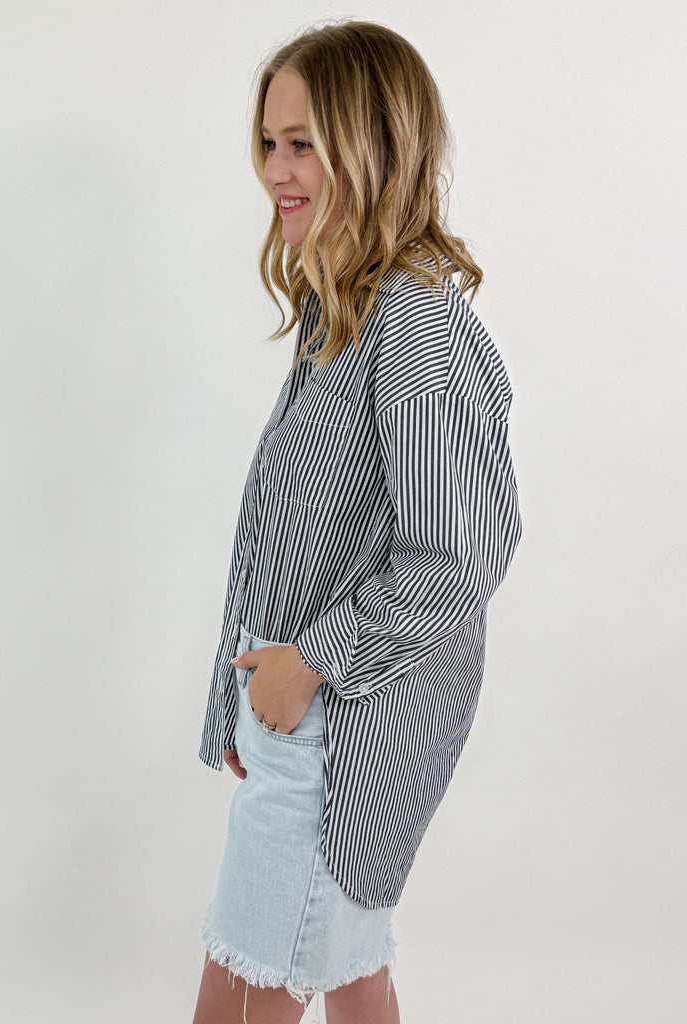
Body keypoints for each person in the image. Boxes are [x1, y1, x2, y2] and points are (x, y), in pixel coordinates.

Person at [192, 20, 521, 1024]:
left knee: (241, 1006)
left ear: (373, 144)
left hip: (341, 737)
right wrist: (235, 698)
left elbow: (458, 558)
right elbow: (276, 535)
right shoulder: (343, 310)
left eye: (303, 144)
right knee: (350, 980)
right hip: (297, 719)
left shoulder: (417, 325)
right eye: (269, 143)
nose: (276, 173)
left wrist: (303, 666)